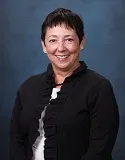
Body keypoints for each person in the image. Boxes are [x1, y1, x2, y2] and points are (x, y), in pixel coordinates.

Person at [9, 8, 119, 160]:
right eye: (53, 40)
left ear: (81, 42)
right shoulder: (28, 87)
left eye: (69, 39)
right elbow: (16, 141)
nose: (61, 48)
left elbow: (100, 150)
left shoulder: (99, 87)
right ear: (44, 46)